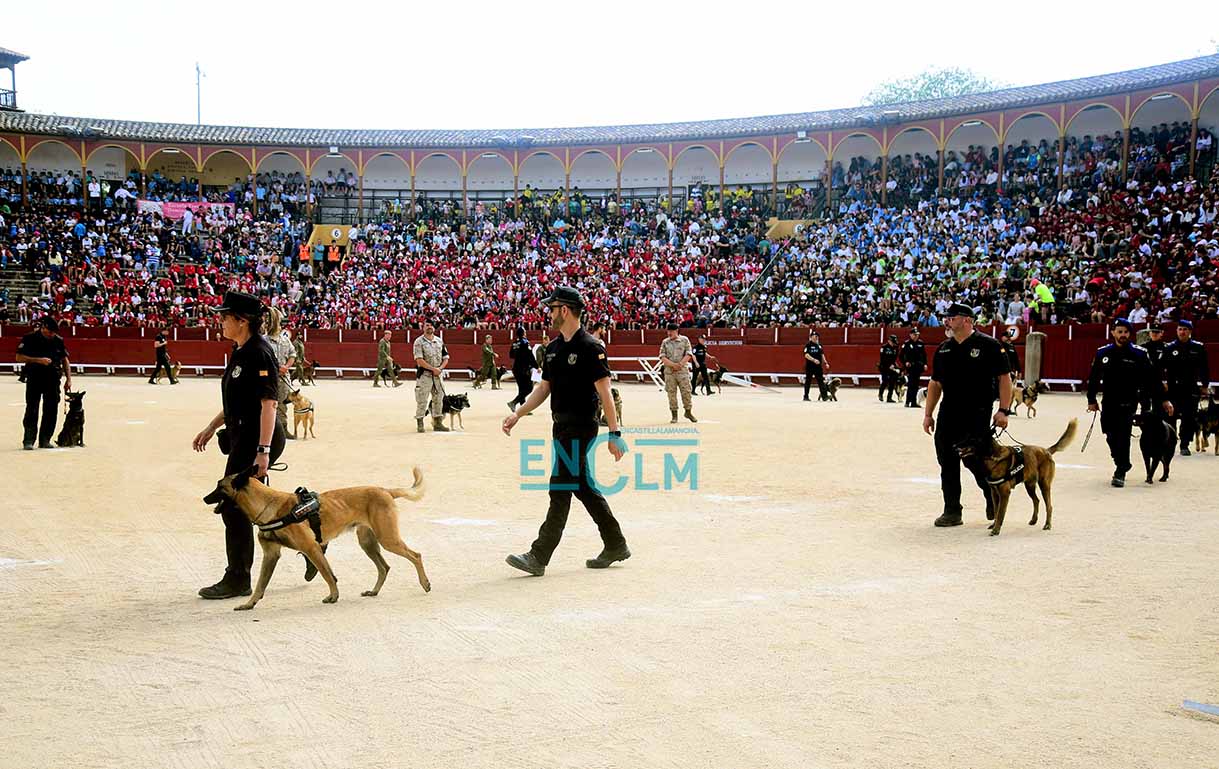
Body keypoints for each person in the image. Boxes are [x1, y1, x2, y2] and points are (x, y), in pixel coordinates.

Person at [502, 286, 628, 576]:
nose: (549, 313)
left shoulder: (591, 347)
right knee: (582, 486)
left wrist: (614, 434)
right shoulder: (553, 349)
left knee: (559, 487)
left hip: (582, 426)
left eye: (552, 308)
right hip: (560, 425)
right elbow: (543, 388)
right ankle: (616, 544)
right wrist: (518, 413)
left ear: (565, 310)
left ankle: (539, 555)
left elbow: (606, 393)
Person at [190, 291, 286, 599]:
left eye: (225, 317)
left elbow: (269, 404)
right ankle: (314, 541)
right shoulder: (241, 350)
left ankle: (238, 578)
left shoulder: (259, 352)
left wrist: (263, 452)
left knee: (234, 506)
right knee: (255, 505)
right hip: (244, 437)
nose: (220, 321)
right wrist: (212, 426)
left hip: (258, 439)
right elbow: (238, 401)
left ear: (241, 321)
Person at [922, 303, 1014, 527]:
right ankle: (952, 510)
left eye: (952, 317)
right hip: (948, 413)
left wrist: (1003, 410)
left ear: (967, 320)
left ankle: (991, 496)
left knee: (975, 460)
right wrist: (928, 414)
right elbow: (935, 383)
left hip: (977, 413)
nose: (947, 321)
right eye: (946, 317)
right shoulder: (944, 349)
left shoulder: (990, 346)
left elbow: (1004, 378)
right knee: (947, 462)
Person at [1086, 318, 1172, 487]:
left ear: (1129, 334)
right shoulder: (1103, 353)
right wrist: (1091, 399)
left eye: (1126, 332)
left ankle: (1121, 469)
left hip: (1128, 401)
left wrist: (1164, 399)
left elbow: (1153, 379)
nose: (1123, 335)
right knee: (1110, 434)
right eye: (1120, 332)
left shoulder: (1139, 354)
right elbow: (1094, 378)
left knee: (1123, 435)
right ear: (1113, 333)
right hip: (1109, 401)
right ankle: (1121, 461)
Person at [15, 316, 71, 450]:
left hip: (53, 380)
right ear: (43, 327)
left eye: (54, 332)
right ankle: (28, 440)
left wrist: (69, 379)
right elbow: (19, 357)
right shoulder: (30, 338)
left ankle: (45, 440)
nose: (52, 335)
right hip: (35, 378)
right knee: (32, 408)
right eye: (50, 332)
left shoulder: (58, 340)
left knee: (51, 410)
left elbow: (65, 360)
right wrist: (38, 360)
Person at [1163, 319, 1211, 455]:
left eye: (1185, 329)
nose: (1182, 332)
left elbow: (1204, 368)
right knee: (1170, 416)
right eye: (1180, 329)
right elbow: (1160, 368)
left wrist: (1205, 385)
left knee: (1189, 417)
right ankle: (1170, 442)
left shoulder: (1198, 348)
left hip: (1190, 387)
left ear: (1190, 331)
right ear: (1176, 331)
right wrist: (1162, 383)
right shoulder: (1169, 348)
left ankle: (1184, 444)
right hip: (1173, 387)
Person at [413, 321, 450, 433]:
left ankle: (437, 423)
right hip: (425, 375)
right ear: (423, 327)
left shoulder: (439, 341)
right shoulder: (419, 342)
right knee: (422, 399)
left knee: (439, 399)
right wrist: (434, 369)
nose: (430, 327)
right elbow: (419, 360)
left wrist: (440, 369)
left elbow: (446, 357)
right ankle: (420, 423)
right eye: (427, 325)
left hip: (437, 375)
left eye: (431, 325)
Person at [264, 307, 295, 439]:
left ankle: (282, 429)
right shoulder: (263, 340)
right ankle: (267, 432)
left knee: (282, 404)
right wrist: (277, 368)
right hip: (268, 378)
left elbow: (292, 355)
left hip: (283, 378)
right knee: (267, 404)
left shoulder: (285, 340)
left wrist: (286, 367)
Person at [659, 322, 697, 423]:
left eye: (671, 331)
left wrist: (680, 364)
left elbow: (689, 354)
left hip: (682, 371)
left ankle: (688, 412)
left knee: (686, 392)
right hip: (670, 372)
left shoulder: (684, 340)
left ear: (676, 331)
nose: (669, 333)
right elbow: (662, 356)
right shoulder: (665, 342)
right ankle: (674, 415)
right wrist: (673, 365)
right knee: (671, 393)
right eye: (668, 331)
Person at [508, 326, 537, 412]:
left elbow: (511, 355)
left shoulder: (514, 343)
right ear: (523, 333)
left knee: (521, 388)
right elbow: (530, 356)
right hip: (524, 368)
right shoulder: (525, 342)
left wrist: (519, 355)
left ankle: (522, 409)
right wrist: (536, 366)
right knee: (529, 388)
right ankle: (513, 402)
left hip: (516, 368)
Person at [899, 328, 927, 408]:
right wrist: (905, 362)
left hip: (918, 366)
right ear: (910, 335)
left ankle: (913, 402)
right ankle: (908, 402)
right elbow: (901, 356)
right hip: (910, 367)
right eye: (914, 335)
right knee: (911, 384)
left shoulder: (921, 343)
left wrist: (925, 364)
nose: (916, 336)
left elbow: (924, 355)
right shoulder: (907, 343)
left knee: (916, 384)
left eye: (917, 335)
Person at [802, 330, 828, 402]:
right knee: (808, 381)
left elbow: (822, 355)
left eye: (816, 337)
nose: (815, 338)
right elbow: (806, 355)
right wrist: (814, 360)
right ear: (811, 338)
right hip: (810, 366)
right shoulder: (808, 345)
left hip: (818, 367)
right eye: (814, 337)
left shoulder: (819, 345)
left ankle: (824, 396)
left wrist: (826, 363)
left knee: (821, 381)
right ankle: (806, 396)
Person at [878, 334, 899, 403]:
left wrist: (893, 365)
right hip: (884, 367)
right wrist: (888, 365)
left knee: (892, 382)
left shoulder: (896, 348)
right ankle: (880, 394)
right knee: (885, 381)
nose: (893, 343)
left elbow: (895, 358)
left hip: (892, 366)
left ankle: (889, 397)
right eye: (892, 342)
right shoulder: (884, 347)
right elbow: (882, 358)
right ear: (889, 341)